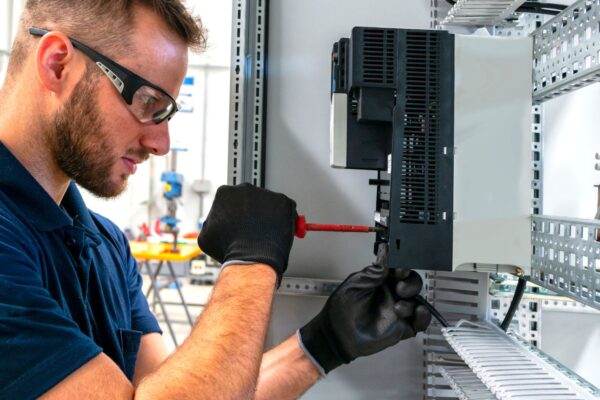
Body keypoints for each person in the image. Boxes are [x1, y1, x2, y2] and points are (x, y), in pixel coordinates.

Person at [0, 1, 431, 398]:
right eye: (147, 102)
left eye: (166, 114)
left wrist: (322, 345)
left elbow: (189, 391)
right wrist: (250, 262)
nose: (160, 143)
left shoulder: (104, 245)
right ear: (57, 64)